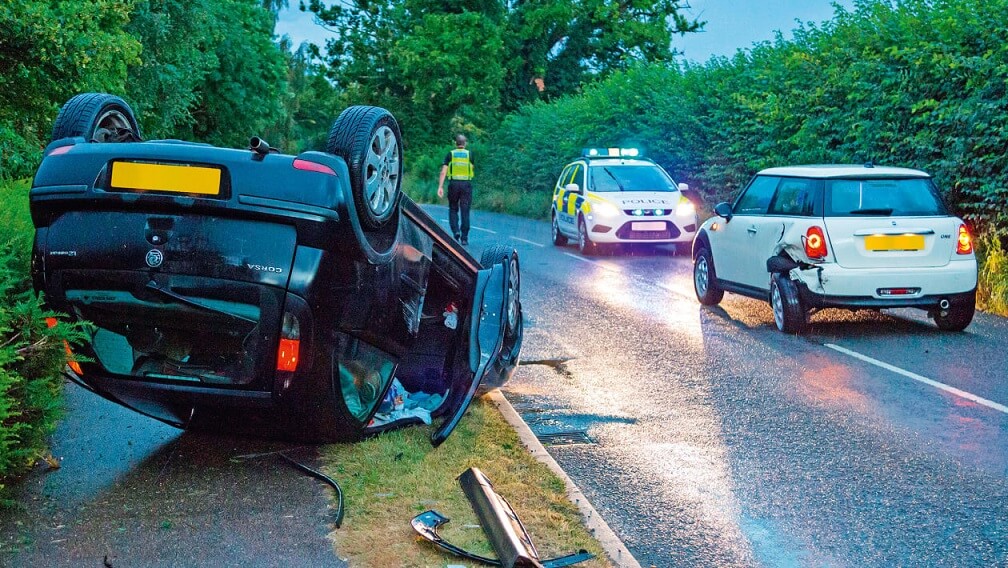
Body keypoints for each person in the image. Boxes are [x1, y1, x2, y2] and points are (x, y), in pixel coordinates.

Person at [437, 134, 474, 245]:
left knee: (453, 208)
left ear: (455, 143)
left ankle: (456, 231)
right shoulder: (469, 155)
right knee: (465, 210)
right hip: (466, 184)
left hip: (453, 184)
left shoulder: (451, 154)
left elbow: (444, 171)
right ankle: (464, 237)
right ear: (465, 143)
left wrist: (440, 186)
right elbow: (471, 168)